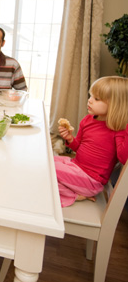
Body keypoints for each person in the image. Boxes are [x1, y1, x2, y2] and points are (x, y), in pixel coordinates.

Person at [55, 76, 128, 208]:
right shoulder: (88, 120)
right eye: (91, 96)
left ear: (115, 105)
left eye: (96, 99)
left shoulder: (118, 130)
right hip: (77, 166)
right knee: (46, 161)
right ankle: (73, 189)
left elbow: (123, 158)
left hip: (91, 181)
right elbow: (79, 147)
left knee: (50, 171)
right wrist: (70, 139)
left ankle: (73, 195)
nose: (90, 100)